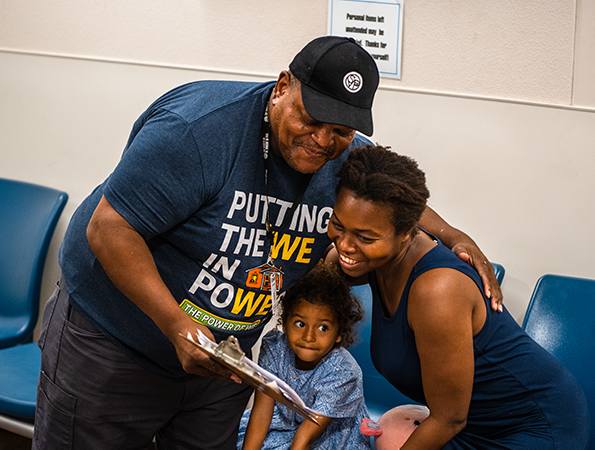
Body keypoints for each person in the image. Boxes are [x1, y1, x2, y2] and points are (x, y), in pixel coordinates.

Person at [33, 36, 501, 450]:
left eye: (340, 131)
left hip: (224, 358)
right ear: (282, 87)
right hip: (115, 343)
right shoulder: (198, 129)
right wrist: (176, 325)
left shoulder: (346, 154)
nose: (322, 141)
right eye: (312, 119)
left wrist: (454, 235)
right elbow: (108, 228)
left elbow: (391, 197)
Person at [326, 144, 590, 449]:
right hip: (468, 422)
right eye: (338, 225)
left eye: (365, 237)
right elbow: (318, 272)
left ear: (407, 231)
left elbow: (449, 418)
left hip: (532, 427)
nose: (345, 245)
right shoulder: (377, 256)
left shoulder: (437, 290)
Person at [237, 261, 370, 450]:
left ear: (339, 333)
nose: (309, 337)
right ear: (284, 323)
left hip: (328, 433)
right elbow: (262, 410)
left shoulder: (344, 372)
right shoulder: (274, 347)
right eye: (300, 324)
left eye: (323, 328)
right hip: (286, 422)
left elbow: (306, 436)